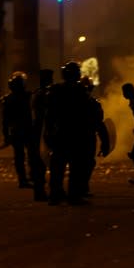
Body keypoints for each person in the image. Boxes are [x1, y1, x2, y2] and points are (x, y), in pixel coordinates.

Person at [45, 61, 91, 205]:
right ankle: (73, 196)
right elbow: (85, 113)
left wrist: (49, 132)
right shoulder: (80, 90)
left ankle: (55, 195)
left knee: (57, 167)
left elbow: (50, 114)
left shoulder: (55, 90)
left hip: (60, 133)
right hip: (75, 133)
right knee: (75, 166)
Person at [1, 72, 36, 189]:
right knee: (29, 155)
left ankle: (24, 179)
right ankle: (30, 177)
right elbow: (5, 120)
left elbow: (5, 120)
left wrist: (6, 135)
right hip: (25, 129)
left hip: (18, 130)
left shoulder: (8, 99)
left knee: (20, 156)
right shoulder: (28, 96)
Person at [80, 76, 110, 197]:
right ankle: (80, 188)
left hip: (81, 136)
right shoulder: (92, 103)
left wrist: (105, 141)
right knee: (84, 163)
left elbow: (99, 123)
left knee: (84, 163)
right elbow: (99, 124)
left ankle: (80, 188)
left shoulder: (69, 102)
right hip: (84, 137)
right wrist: (105, 141)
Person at [29, 69, 53, 201]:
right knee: (40, 163)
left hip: (39, 130)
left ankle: (40, 191)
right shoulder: (43, 94)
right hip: (42, 130)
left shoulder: (37, 93)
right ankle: (40, 192)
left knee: (39, 163)